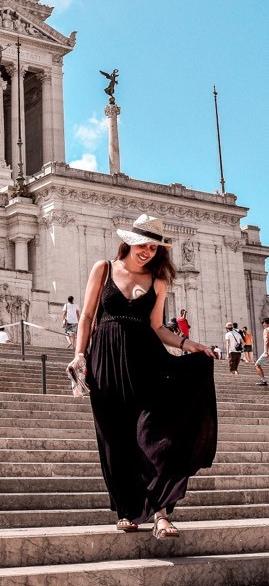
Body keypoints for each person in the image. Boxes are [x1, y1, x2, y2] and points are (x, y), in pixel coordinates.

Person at [68, 213, 217, 540]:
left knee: (153, 436)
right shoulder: (103, 269)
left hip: (147, 361)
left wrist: (187, 343)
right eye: (143, 244)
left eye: (154, 247)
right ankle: (126, 511)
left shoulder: (158, 281)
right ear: (129, 241)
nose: (147, 251)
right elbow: (88, 315)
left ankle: (161, 515)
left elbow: (156, 326)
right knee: (115, 437)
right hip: (106, 359)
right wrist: (80, 355)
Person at [254, 318, 269, 386]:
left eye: (263, 323)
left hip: (268, 351)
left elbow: (266, 341)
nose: (263, 324)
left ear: (266, 323)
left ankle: (263, 380)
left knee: (257, 364)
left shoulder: (266, 330)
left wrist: (266, 351)